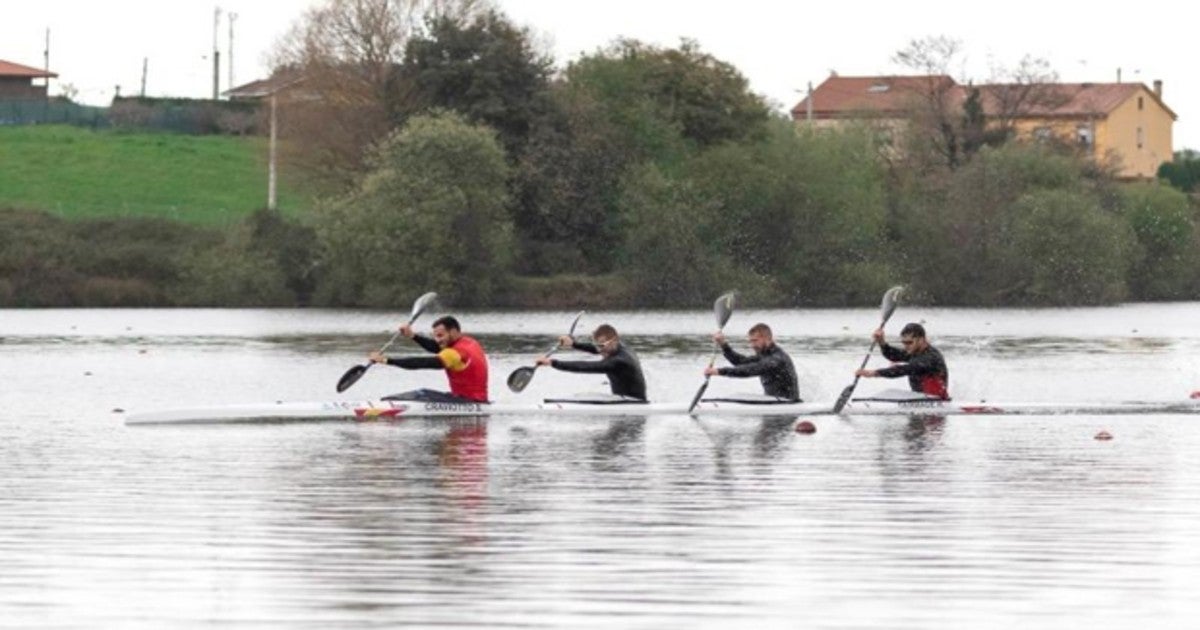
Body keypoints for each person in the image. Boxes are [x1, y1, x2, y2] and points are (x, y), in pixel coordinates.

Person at [369, 315, 489, 403]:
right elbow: (437, 347)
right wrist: (412, 336)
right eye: (435, 336)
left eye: (440, 335)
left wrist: (387, 360)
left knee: (422, 394)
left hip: (466, 402)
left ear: (453, 332)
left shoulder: (455, 352)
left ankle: (382, 404)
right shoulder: (470, 342)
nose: (438, 340)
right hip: (476, 400)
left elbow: (423, 363)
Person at [536, 324, 647, 401]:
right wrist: (573, 344)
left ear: (615, 340)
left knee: (586, 396)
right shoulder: (620, 347)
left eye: (602, 346)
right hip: (623, 401)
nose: (599, 350)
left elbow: (585, 366)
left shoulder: (619, 362)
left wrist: (553, 362)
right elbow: (596, 348)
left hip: (631, 403)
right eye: (598, 345)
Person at [703, 323, 800, 401]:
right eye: (750, 341)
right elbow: (741, 362)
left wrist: (719, 371)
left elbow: (750, 370)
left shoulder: (777, 359)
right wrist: (723, 344)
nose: (752, 345)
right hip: (774, 402)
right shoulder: (765, 355)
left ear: (768, 339)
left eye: (755, 341)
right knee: (739, 396)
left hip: (786, 405)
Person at [854, 322, 949, 400]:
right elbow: (893, 355)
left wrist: (875, 373)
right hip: (921, 399)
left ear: (921, 340)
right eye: (904, 343)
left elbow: (906, 369)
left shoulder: (931, 357)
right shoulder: (915, 351)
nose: (906, 346)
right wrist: (881, 342)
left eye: (909, 342)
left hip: (936, 402)